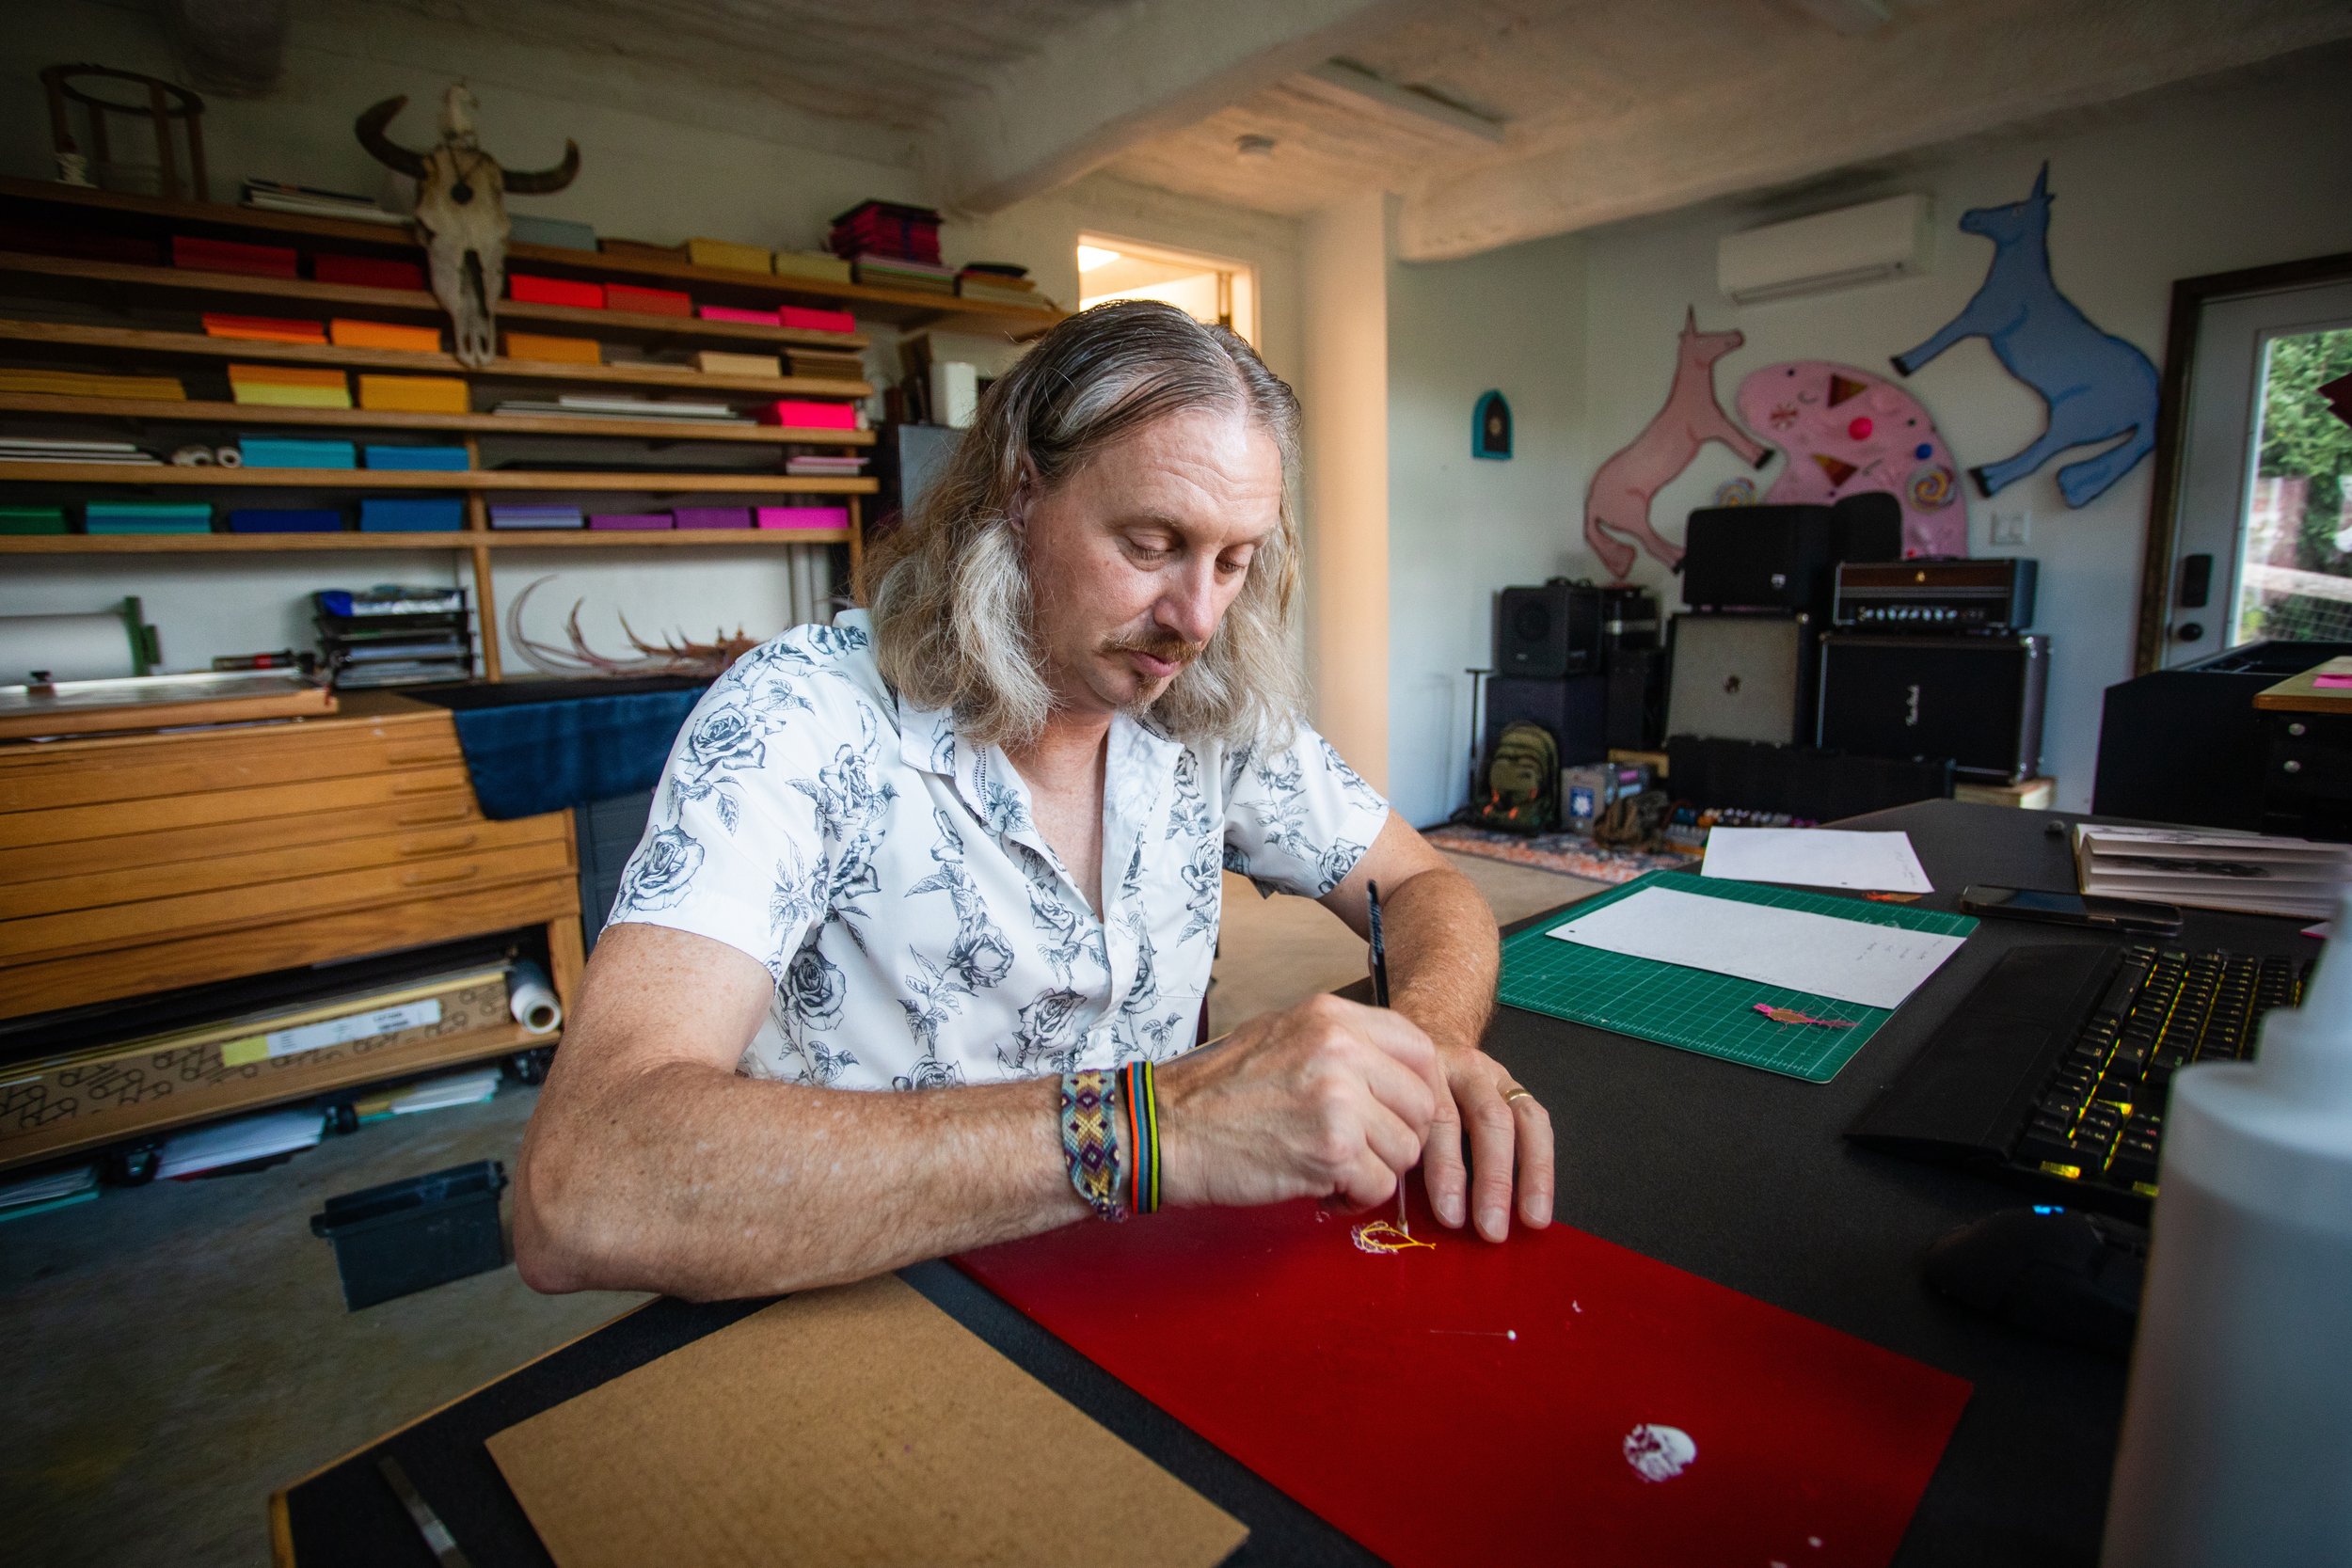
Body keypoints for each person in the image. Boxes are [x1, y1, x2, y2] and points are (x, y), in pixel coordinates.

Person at [516, 300, 1552, 1301]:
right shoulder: (803, 717)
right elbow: (580, 1188)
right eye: (1149, 544)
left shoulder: (1204, 709)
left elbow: (1421, 883)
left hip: (1131, 1296)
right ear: (1019, 493)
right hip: (858, 1313)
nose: (1193, 616)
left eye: (1233, 561)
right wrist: (1154, 1128)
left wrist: (1426, 1052)